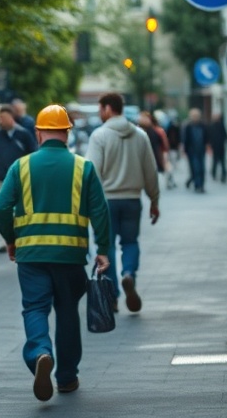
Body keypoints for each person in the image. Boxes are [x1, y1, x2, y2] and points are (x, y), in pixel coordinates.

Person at [0, 104, 111, 401]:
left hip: (31, 255)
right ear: (68, 134)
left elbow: (0, 207)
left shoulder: (20, 167)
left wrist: (11, 239)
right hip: (70, 256)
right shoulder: (83, 167)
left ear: (38, 132)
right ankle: (68, 377)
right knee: (68, 312)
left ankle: (40, 353)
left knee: (34, 308)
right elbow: (100, 211)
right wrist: (105, 250)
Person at [86, 92, 160, 314]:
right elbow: (151, 171)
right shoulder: (140, 135)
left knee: (105, 249)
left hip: (107, 202)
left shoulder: (99, 136)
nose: (100, 114)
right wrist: (154, 200)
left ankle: (112, 297)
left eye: (100, 109)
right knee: (130, 242)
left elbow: (92, 173)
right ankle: (129, 274)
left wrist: (91, 204)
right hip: (132, 200)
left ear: (108, 109)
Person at [0, 106, 37, 253]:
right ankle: (8, 239)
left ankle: (23, 237)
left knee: (21, 209)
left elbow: (32, 154)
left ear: (12, 118)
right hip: (1, 178)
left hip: (21, 179)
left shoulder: (24, 135)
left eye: (4, 117)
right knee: (3, 209)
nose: (1, 121)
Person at [181, 108, 209, 193]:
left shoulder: (203, 125)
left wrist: (207, 146)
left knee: (202, 168)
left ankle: (201, 185)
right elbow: (185, 139)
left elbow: (206, 137)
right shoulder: (188, 126)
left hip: (201, 150)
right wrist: (184, 150)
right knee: (195, 168)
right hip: (192, 151)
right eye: (193, 116)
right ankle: (197, 185)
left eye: (196, 116)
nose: (195, 117)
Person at [208, 111, 227, 183]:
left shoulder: (221, 125)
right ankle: (214, 174)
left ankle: (223, 176)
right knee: (215, 161)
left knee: (223, 162)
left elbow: (225, 134)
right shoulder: (211, 126)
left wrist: (226, 140)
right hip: (215, 146)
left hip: (221, 146)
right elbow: (209, 137)